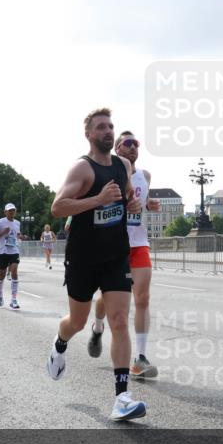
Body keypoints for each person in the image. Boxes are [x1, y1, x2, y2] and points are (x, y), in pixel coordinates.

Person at [45, 107, 147, 422]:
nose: (107, 131)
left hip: (116, 254)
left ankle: (122, 398)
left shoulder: (123, 165)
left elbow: (127, 194)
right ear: (89, 134)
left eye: (110, 126)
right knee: (76, 321)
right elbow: (58, 207)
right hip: (83, 258)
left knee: (119, 319)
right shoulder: (82, 169)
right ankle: (60, 344)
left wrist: (132, 202)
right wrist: (97, 200)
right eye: (101, 127)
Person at [87, 131, 163, 379]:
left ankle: (140, 358)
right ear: (117, 149)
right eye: (127, 144)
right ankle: (98, 327)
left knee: (142, 299)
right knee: (107, 299)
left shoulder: (145, 176)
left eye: (136, 144)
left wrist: (150, 204)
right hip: (113, 244)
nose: (132, 147)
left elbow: (143, 202)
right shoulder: (109, 173)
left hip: (139, 243)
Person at [0, 204, 23, 308]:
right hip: (2, 251)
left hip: (14, 250)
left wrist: (21, 236)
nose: (11, 212)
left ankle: (14, 299)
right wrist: (2, 232)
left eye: (13, 210)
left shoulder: (17, 223)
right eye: (9, 211)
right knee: (2, 274)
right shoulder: (0, 222)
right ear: (5, 212)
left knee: (14, 271)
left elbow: (17, 235)